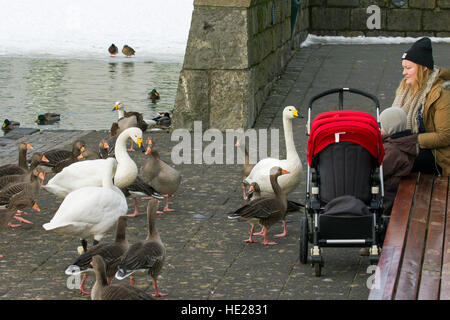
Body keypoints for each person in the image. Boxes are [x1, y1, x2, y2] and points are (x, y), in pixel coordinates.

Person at [391, 37, 450, 176]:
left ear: (424, 68)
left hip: (438, 156)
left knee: (396, 157)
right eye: (403, 68)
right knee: (384, 149)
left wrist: (411, 140)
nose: (404, 72)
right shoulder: (407, 87)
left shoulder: (441, 93)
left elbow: (445, 136)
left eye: (408, 68)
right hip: (415, 145)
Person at [380, 107, 418, 215]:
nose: (379, 129)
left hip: (386, 196)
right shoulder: (402, 143)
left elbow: (380, 172)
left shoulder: (393, 151)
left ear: (390, 128)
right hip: (392, 189)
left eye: (382, 127)